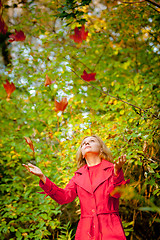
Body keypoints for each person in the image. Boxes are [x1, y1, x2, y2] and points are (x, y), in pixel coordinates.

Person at [23, 135, 130, 240]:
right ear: (82, 153)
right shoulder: (78, 176)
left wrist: (117, 173)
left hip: (109, 226)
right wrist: (42, 177)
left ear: (101, 148)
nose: (86, 143)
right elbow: (64, 197)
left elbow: (117, 193)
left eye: (92, 141)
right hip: (86, 229)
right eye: (83, 143)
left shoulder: (113, 169)